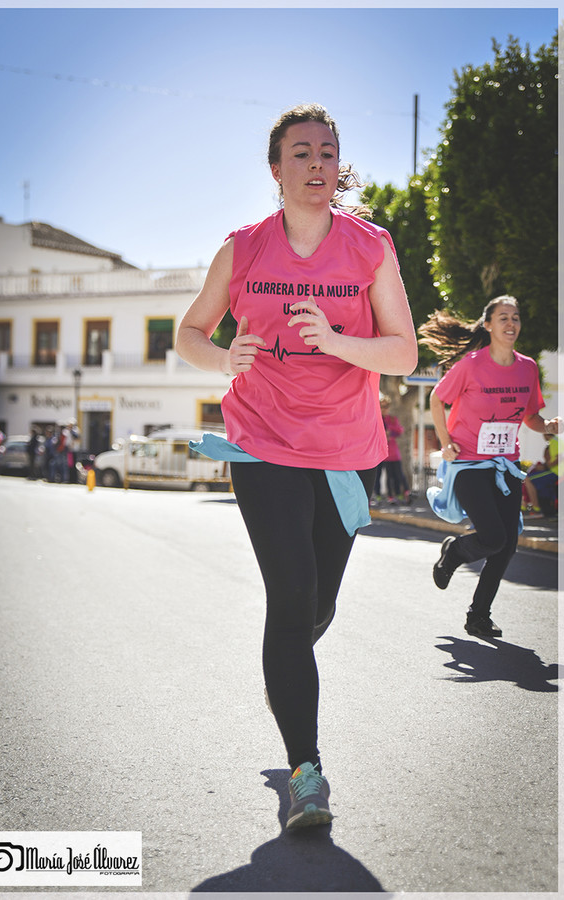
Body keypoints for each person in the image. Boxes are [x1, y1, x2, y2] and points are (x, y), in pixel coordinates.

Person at [175, 103, 417, 829]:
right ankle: (306, 773)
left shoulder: (370, 247)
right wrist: (222, 357)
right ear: (276, 169)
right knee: (291, 597)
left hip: (346, 451)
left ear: (339, 167)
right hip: (262, 441)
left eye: (328, 152)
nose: (318, 164)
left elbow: (403, 352)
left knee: (317, 609)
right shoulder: (244, 249)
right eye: (302, 152)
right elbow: (190, 332)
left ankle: (288, 671)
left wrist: (338, 342)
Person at [419, 296, 563, 638]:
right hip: (469, 463)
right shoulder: (470, 365)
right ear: (488, 325)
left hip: (505, 466)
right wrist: (445, 440)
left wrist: (549, 426)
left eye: (515, 317)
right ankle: (454, 552)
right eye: (503, 318)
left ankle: (478, 616)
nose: (510, 323)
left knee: (508, 544)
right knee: (493, 536)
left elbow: (530, 416)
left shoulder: (527, 367)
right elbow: (437, 398)